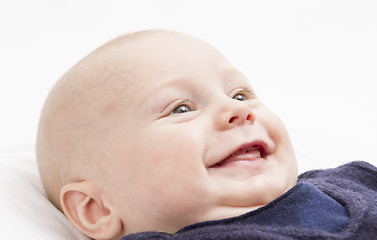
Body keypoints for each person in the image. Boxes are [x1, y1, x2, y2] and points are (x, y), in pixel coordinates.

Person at [36, 30, 377, 240]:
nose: (238, 110)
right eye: (181, 109)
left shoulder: (351, 180)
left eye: (240, 94)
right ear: (97, 209)